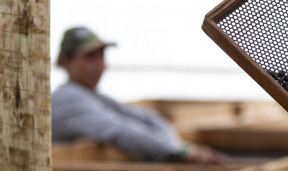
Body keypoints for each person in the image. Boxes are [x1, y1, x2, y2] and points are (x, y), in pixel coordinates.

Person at [52, 26, 227, 164]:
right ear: (65, 61)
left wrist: (177, 147)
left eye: (101, 56)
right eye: (90, 57)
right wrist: (177, 151)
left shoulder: (94, 96)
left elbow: (150, 119)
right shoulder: (66, 99)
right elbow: (118, 130)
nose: (99, 65)